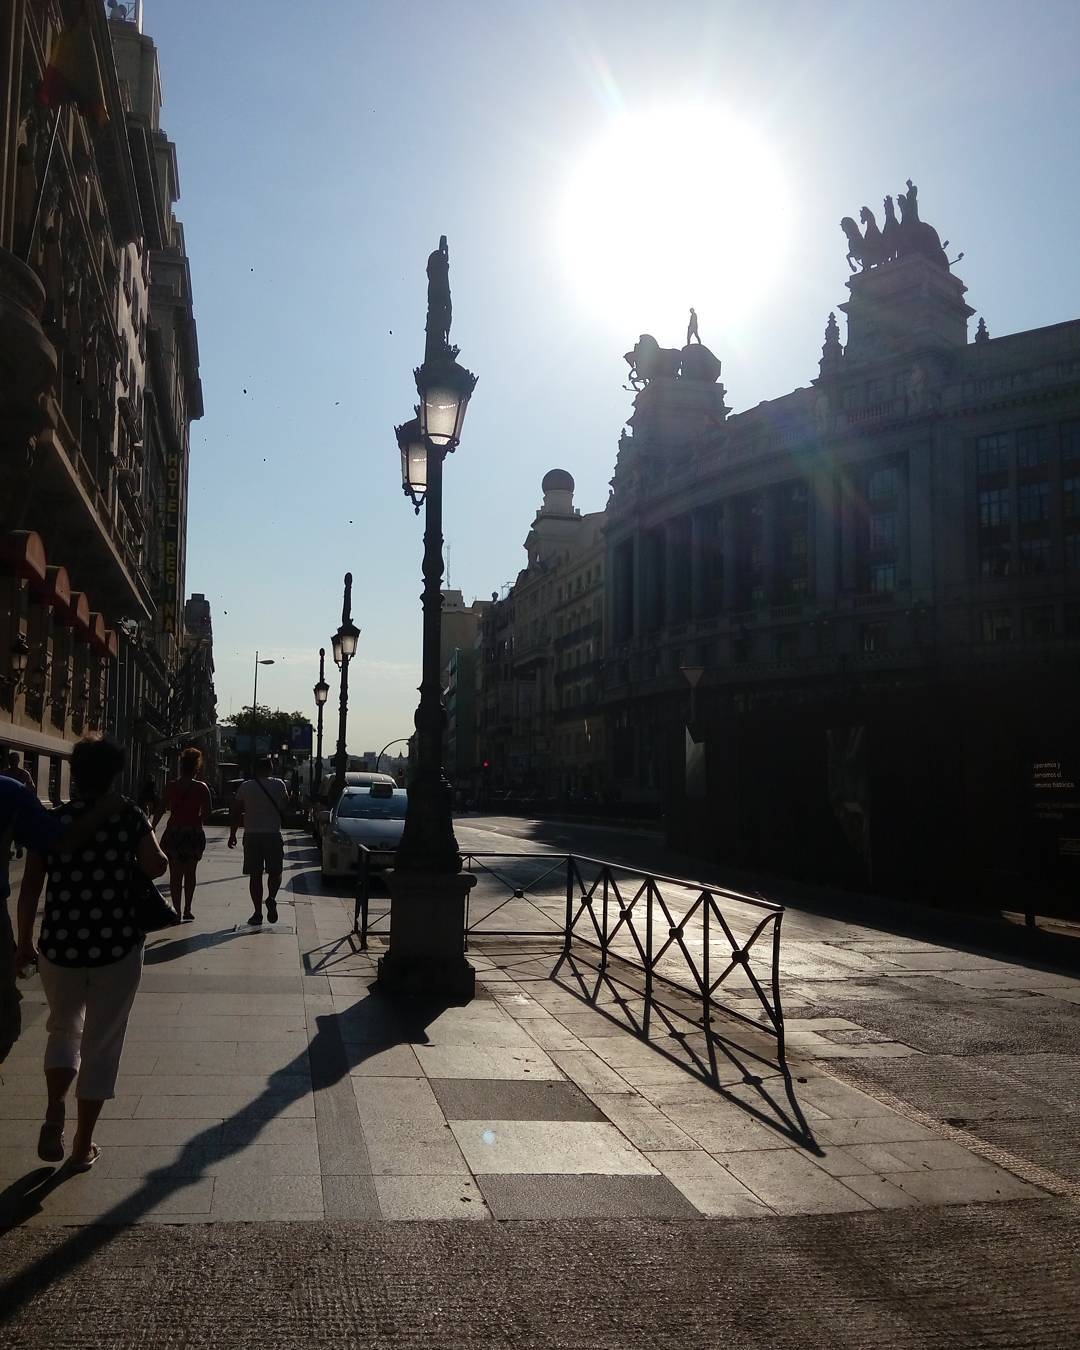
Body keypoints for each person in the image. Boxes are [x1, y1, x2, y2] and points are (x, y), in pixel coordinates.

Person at [14, 737, 167, 1170]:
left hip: (60, 945)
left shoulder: (54, 820)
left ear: (76, 775)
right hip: (116, 945)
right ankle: (82, 1145)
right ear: (114, 775)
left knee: (63, 1030)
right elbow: (156, 865)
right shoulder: (127, 816)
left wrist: (24, 941)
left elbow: (30, 887)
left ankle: (54, 1110)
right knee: (102, 1042)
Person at [153, 746, 212, 922]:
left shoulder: (172, 786)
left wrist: (153, 826)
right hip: (193, 832)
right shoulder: (202, 787)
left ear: (181, 766)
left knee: (175, 874)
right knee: (190, 873)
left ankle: (177, 911)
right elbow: (208, 812)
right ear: (196, 767)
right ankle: (188, 909)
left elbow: (161, 808)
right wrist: (196, 819)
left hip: (174, 832)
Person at [228, 757, 289, 925]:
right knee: (275, 872)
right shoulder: (279, 784)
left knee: (255, 876)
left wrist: (232, 834)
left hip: (251, 835)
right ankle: (271, 897)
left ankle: (257, 913)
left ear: (255, 770)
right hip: (273, 834)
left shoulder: (246, 786)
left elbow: (236, 812)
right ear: (271, 769)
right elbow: (285, 805)